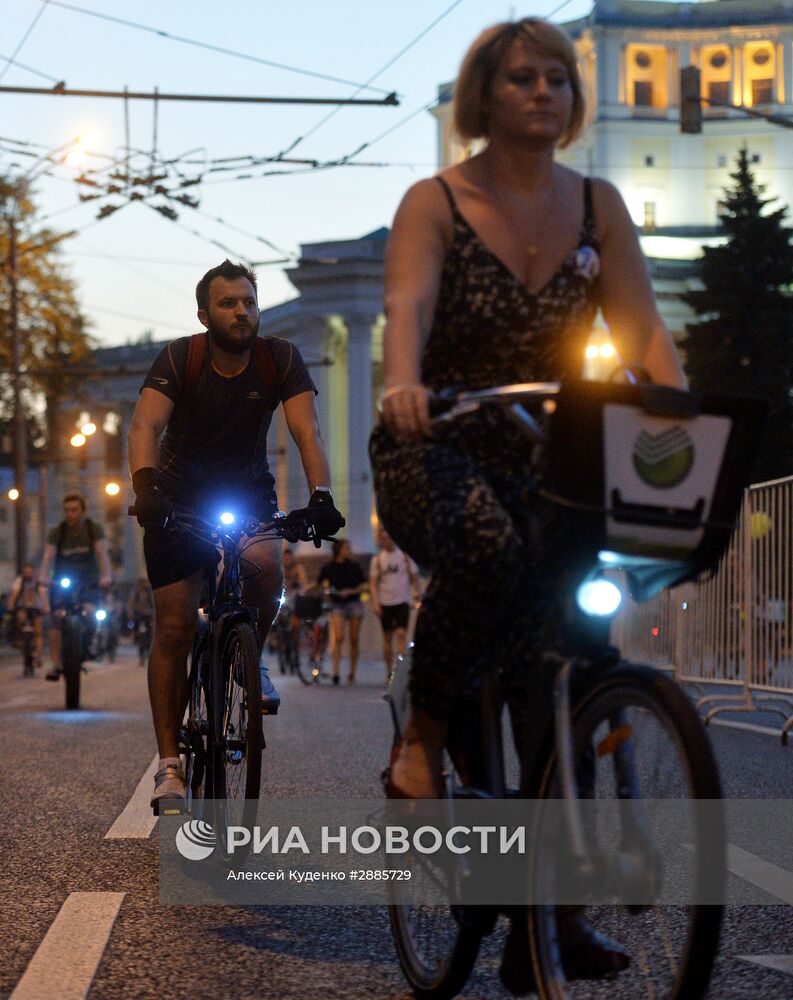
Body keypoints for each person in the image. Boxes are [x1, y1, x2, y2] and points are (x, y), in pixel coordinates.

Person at [368, 17, 687, 990]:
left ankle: (545, 923)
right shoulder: (435, 202)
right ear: (485, 95)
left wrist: (679, 410)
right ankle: (421, 743)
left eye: (557, 78)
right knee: (485, 544)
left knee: (567, 657)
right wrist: (402, 383)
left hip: (551, 457)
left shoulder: (597, 206)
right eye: (521, 78)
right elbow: (406, 309)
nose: (543, 91)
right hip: (437, 442)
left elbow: (643, 331)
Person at [127, 259, 344, 811]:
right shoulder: (181, 357)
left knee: (267, 569)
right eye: (228, 303)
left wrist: (321, 496)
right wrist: (145, 488)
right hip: (176, 498)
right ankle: (170, 767)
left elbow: (307, 431)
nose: (241, 311)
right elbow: (144, 425)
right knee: (175, 625)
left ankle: (251, 658)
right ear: (205, 315)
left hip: (247, 491)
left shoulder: (280, 358)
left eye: (249, 302)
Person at [38, 493, 112, 680]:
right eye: (67, 510)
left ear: (83, 511)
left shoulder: (93, 529)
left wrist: (106, 576)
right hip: (62, 579)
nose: (70, 514)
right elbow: (48, 557)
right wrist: (43, 577)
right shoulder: (58, 532)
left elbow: (102, 554)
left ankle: (90, 643)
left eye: (74, 510)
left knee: (93, 611)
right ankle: (56, 665)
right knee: (55, 618)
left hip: (89, 579)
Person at [369, 528, 419, 682]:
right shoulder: (378, 559)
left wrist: (418, 594)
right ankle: (388, 671)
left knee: (401, 634)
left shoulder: (404, 556)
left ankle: (400, 671)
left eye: (389, 538)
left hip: (402, 601)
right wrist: (375, 602)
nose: (387, 541)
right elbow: (373, 583)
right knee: (387, 638)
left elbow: (414, 577)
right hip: (385, 602)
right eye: (384, 538)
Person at [318, 539, 367, 685]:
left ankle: (352, 672)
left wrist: (350, 591)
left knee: (354, 638)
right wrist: (326, 592)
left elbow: (363, 585)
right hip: (337, 603)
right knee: (339, 637)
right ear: (338, 549)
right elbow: (320, 583)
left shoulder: (354, 566)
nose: (348, 550)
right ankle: (336, 671)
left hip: (354, 602)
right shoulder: (329, 567)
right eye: (346, 548)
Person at [7, 563, 50, 670]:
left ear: (33, 572)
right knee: (20, 618)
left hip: (36, 609)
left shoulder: (38, 582)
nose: (28, 574)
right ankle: (19, 637)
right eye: (26, 572)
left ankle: (38, 655)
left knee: (38, 631)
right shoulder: (19, 581)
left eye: (30, 572)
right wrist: (10, 605)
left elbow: (43, 595)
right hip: (23, 608)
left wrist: (46, 607)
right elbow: (14, 594)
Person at [128, 577, 155, 666]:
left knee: (149, 634)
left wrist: (153, 615)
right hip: (138, 616)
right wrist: (130, 613)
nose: (144, 585)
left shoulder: (150, 592)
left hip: (148, 616)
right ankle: (140, 652)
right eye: (142, 583)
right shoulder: (135, 592)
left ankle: (148, 650)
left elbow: (153, 604)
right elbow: (131, 603)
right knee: (137, 634)